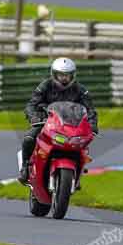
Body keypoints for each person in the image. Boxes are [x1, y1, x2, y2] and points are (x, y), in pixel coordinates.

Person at [18, 57, 98, 185]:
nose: (64, 78)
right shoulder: (45, 86)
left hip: (71, 125)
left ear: (73, 75)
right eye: (61, 75)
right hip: (47, 121)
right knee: (29, 138)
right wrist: (34, 116)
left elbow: (90, 110)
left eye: (67, 75)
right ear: (54, 74)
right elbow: (31, 104)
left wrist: (92, 126)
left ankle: (77, 171)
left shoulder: (81, 90)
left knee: (83, 144)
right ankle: (25, 167)